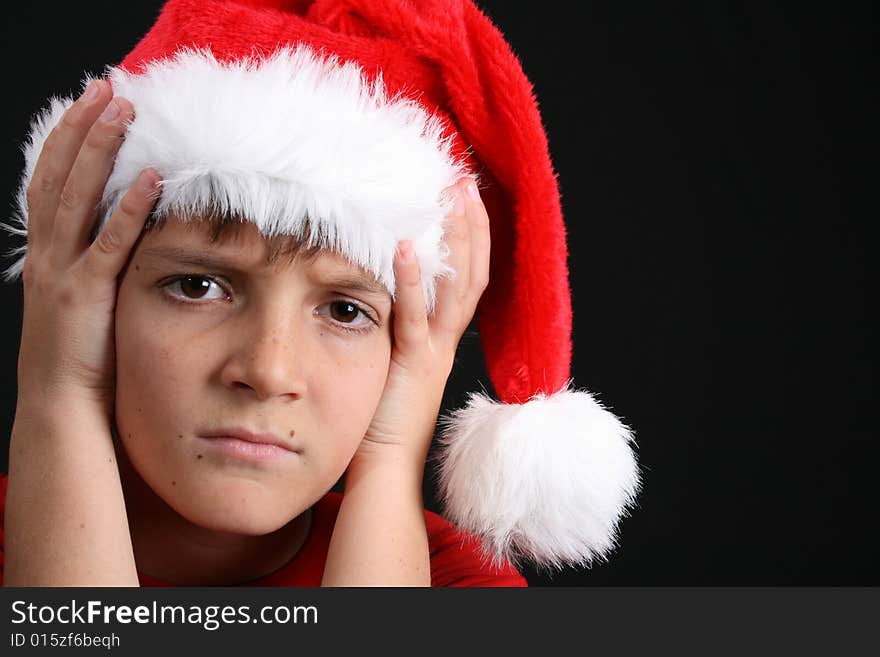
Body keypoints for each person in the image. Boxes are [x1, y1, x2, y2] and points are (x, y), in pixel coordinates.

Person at [0, 0, 641, 586]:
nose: (268, 370)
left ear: (404, 352)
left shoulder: (452, 581)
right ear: (91, 298)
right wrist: (60, 389)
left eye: (344, 310)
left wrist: (392, 456)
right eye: (198, 286)